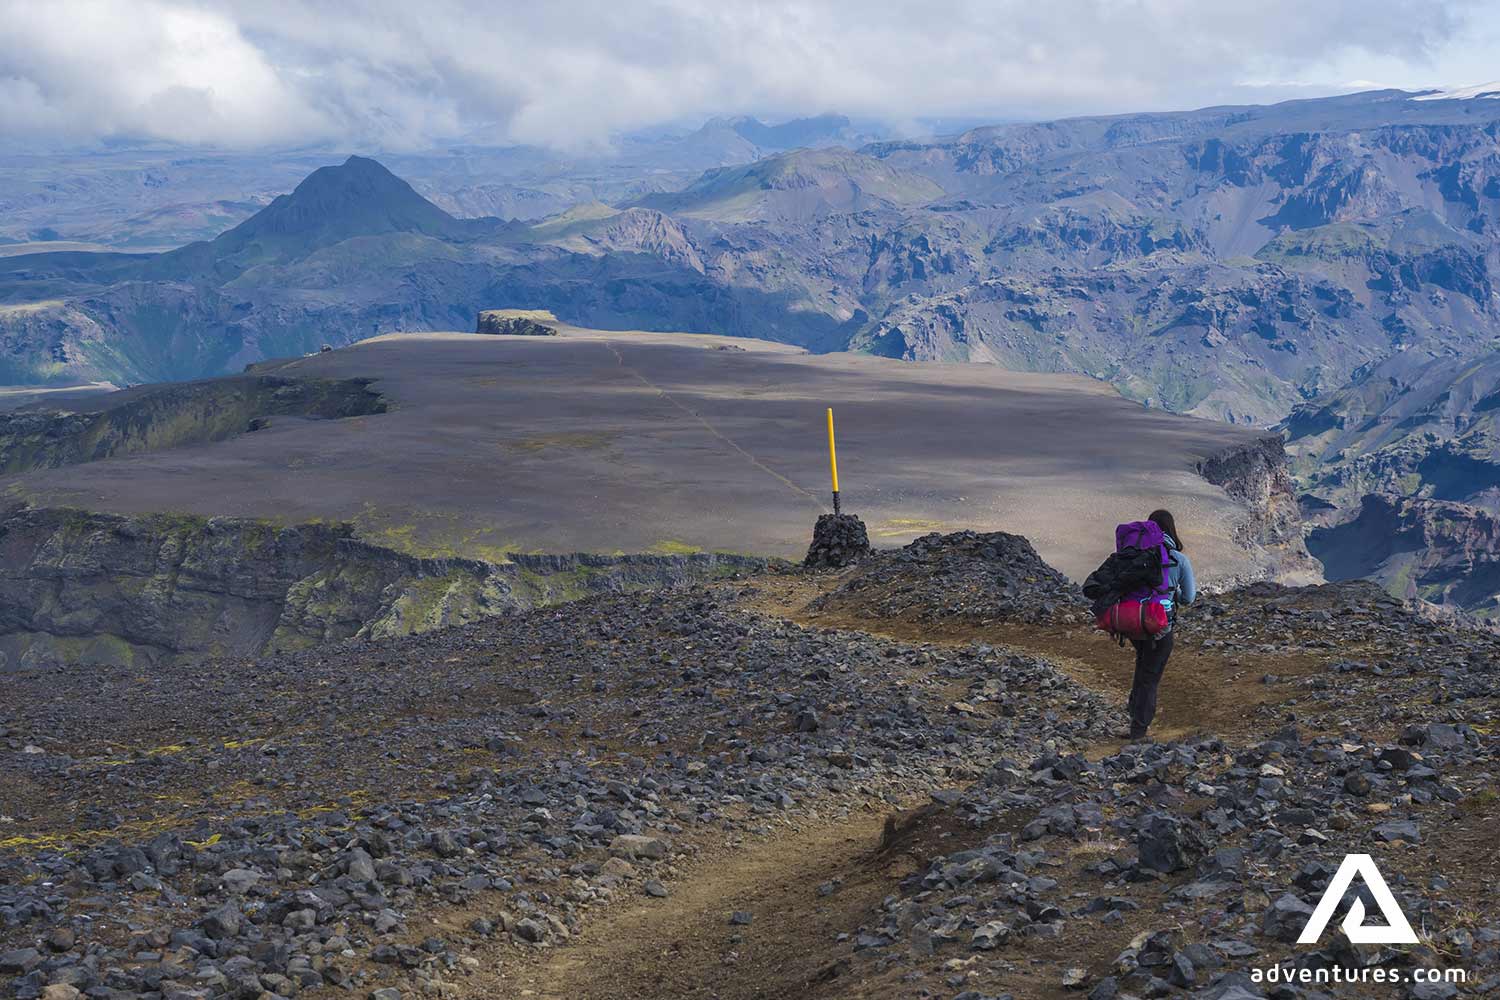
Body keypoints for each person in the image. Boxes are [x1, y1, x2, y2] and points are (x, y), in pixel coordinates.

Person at [1124, 508, 1196, 741]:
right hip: (1160, 625)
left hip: (1134, 623)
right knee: (1150, 676)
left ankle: (1135, 717)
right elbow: (1188, 598)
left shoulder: (1135, 553)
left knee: (1142, 667)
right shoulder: (1179, 559)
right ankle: (1139, 730)